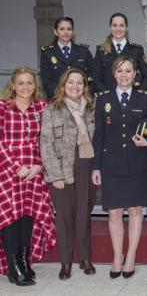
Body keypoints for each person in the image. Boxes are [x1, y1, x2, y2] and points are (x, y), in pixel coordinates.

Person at [91, 56, 147, 279]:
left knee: (136, 210)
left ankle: (131, 256)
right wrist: (95, 166)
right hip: (112, 163)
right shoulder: (103, 100)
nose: (125, 75)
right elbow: (98, 135)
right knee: (115, 212)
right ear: (113, 74)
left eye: (129, 71)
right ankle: (117, 256)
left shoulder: (144, 99)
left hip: (136, 162)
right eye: (120, 71)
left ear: (135, 74)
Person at [0, 67, 56, 286]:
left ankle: (25, 261)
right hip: (6, 170)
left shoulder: (42, 108)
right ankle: (13, 266)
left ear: (35, 85)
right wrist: (16, 167)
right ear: (13, 85)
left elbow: (49, 140)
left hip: (34, 170)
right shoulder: (2, 108)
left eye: (29, 83)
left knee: (27, 216)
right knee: (10, 217)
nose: (25, 87)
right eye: (20, 83)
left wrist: (39, 166)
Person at [40, 68, 97, 280]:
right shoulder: (52, 109)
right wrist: (55, 175)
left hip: (86, 166)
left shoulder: (91, 109)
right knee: (64, 217)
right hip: (62, 169)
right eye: (71, 83)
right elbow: (46, 145)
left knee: (84, 215)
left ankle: (85, 258)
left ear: (85, 86)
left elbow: (97, 140)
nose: (75, 87)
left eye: (80, 83)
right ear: (63, 85)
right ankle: (65, 262)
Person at [93, 12, 147, 93]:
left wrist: (139, 96)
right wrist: (106, 96)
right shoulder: (101, 50)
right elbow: (96, 79)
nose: (118, 29)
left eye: (121, 25)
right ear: (110, 27)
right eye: (114, 25)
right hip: (109, 100)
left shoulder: (136, 50)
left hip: (132, 100)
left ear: (126, 28)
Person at [40, 17, 95, 99]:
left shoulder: (83, 51)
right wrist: (61, 96)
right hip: (57, 100)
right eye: (62, 29)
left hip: (81, 98)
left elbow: (93, 74)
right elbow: (46, 81)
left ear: (73, 32)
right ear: (55, 32)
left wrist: (84, 94)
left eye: (69, 29)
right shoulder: (47, 53)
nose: (66, 32)